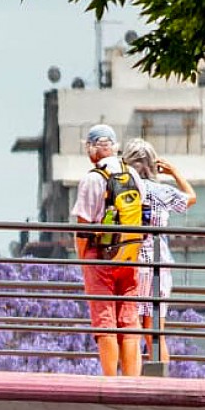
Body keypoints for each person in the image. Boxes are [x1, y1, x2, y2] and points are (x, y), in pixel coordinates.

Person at [71, 123, 144, 376]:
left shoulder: (93, 178)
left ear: (92, 148)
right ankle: (132, 380)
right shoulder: (132, 174)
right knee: (129, 320)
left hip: (101, 256)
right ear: (114, 147)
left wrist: (83, 259)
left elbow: (83, 227)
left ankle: (110, 380)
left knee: (105, 321)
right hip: (130, 255)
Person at [122, 137, 197, 361]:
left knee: (132, 327)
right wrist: (174, 172)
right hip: (158, 263)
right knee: (155, 330)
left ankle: (131, 376)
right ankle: (160, 376)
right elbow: (191, 198)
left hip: (132, 260)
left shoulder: (123, 190)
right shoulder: (161, 191)